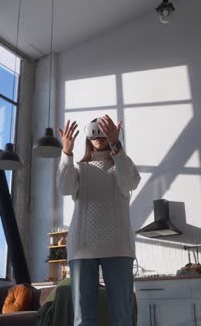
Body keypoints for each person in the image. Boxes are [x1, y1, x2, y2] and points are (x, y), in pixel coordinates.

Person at [57, 114, 141, 326]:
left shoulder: (121, 165)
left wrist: (116, 146)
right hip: (82, 247)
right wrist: (66, 152)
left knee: (122, 316)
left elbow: (131, 181)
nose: (99, 135)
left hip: (118, 246)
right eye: (94, 131)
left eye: (104, 131)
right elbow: (64, 188)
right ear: (87, 136)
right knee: (83, 318)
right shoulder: (79, 168)